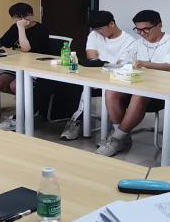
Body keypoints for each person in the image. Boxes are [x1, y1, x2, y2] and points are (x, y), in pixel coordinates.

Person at [96, 9, 170, 157]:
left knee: (139, 95)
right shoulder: (137, 44)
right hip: (138, 85)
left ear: (159, 25)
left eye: (146, 29)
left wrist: (144, 64)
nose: (142, 33)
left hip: (165, 92)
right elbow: (124, 61)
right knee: (111, 92)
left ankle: (116, 138)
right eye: (138, 30)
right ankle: (121, 136)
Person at [59, 10, 138, 141]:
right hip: (95, 77)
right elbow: (92, 57)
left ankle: (117, 133)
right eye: (96, 29)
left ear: (111, 24)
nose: (98, 32)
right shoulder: (94, 34)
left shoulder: (129, 42)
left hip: (116, 80)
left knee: (95, 89)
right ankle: (75, 122)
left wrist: (102, 63)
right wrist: (107, 63)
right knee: (77, 85)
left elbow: (122, 66)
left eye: (100, 29)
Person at [0, 2, 57, 131]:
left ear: (31, 15)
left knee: (16, 86)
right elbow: (3, 42)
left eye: (24, 16)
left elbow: (26, 49)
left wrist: (21, 28)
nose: (21, 20)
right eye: (17, 18)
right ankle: (26, 102)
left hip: (35, 68)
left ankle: (21, 117)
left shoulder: (41, 30)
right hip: (18, 66)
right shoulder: (14, 27)